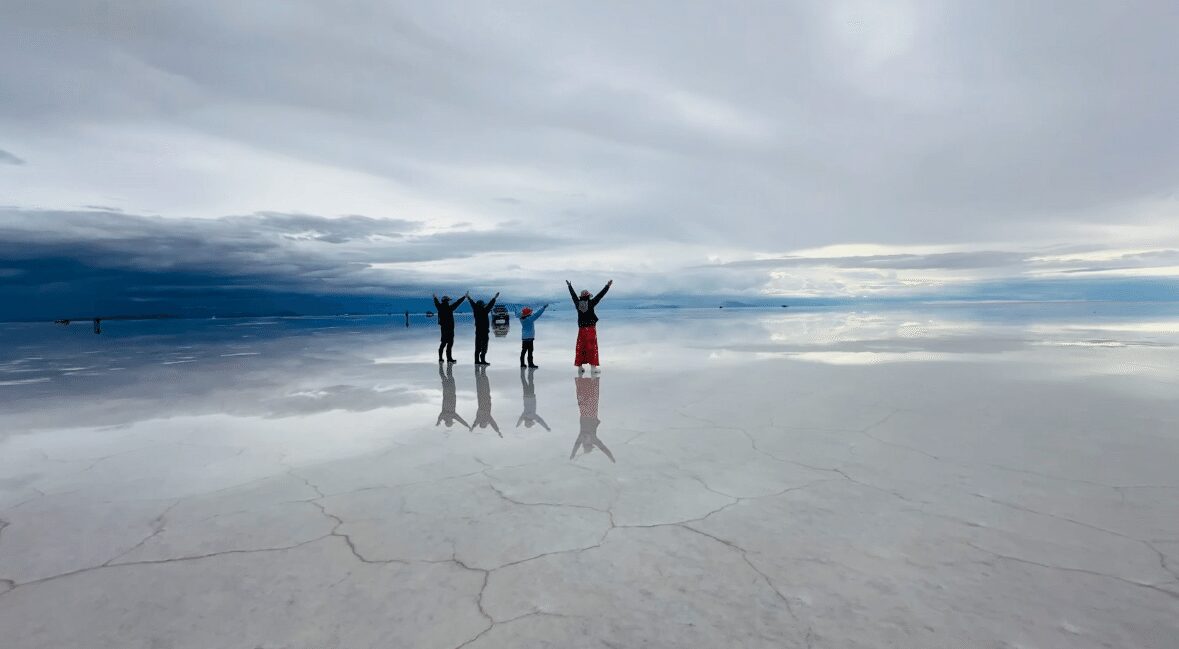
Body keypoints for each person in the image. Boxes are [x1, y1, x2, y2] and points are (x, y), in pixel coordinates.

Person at [566, 279, 612, 373]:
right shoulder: (591, 303)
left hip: (581, 330)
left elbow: (573, 296)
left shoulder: (578, 304)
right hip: (590, 329)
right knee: (591, 347)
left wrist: (570, 287)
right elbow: (600, 295)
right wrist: (607, 286)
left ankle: (580, 367)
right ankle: (593, 368)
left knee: (581, 347)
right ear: (588, 296)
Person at [570, 375, 613, 462]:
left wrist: (573, 454)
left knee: (582, 398)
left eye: (585, 444)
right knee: (591, 397)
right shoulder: (593, 438)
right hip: (592, 413)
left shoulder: (581, 437)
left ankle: (583, 381)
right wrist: (610, 457)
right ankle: (592, 381)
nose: (586, 442)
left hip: (584, 413)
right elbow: (603, 447)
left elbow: (576, 445)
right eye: (588, 444)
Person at [433, 292, 468, 363]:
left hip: (443, 329)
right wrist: (464, 297)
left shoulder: (439, 307)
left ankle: (441, 358)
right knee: (449, 344)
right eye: (448, 300)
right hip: (450, 329)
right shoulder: (450, 308)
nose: (449, 301)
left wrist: (435, 297)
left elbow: (436, 303)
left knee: (443, 343)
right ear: (446, 301)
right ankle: (449, 359)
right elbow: (458, 303)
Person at [435, 362, 470, 429]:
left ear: (449, 422)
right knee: (444, 377)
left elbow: (460, 420)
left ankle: (448, 365)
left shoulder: (452, 415)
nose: (452, 420)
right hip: (448, 392)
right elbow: (461, 420)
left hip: (451, 392)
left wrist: (467, 426)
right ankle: (444, 365)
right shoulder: (445, 415)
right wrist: (438, 422)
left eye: (451, 422)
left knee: (448, 376)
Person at [469, 292, 500, 365]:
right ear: (482, 305)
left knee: (477, 346)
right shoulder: (484, 310)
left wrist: (469, 298)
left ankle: (476, 361)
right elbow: (490, 304)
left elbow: (472, 303)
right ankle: (482, 360)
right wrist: (495, 297)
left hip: (478, 331)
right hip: (485, 332)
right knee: (484, 346)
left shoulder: (475, 310)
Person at [514, 303, 549, 368]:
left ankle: (522, 364)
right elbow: (538, 314)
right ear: (528, 314)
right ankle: (530, 364)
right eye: (530, 313)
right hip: (530, 338)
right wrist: (543, 307)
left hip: (524, 338)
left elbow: (519, 314)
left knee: (523, 351)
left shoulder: (521, 318)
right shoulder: (530, 319)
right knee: (530, 351)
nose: (531, 313)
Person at [516, 366, 550, 431]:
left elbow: (541, 421)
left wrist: (546, 427)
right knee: (524, 382)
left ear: (530, 422)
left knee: (531, 382)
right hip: (526, 396)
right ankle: (523, 370)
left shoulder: (533, 416)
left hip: (531, 396)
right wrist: (517, 425)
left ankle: (530, 371)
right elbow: (520, 421)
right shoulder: (524, 416)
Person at [470, 364, 500, 436]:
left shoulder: (485, 418)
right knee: (483, 381)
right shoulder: (483, 418)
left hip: (483, 396)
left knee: (481, 381)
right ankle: (482, 368)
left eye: (485, 424)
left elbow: (493, 424)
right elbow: (492, 424)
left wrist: (498, 431)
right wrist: (498, 432)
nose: (487, 423)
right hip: (485, 396)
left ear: (483, 423)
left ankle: (479, 367)